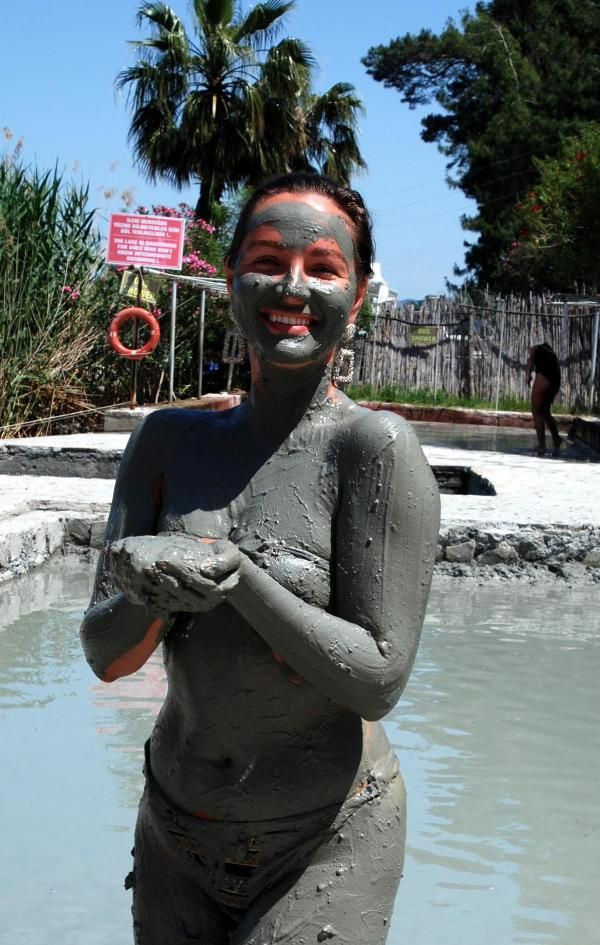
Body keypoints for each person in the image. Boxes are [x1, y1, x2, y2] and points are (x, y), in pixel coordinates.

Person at [80, 172, 440, 945]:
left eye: (324, 266)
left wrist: (238, 576)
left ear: (361, 289)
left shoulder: (373, 451)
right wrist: (153, 589)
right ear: (230, 275)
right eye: (269, 258)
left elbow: (378, 677)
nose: (293, 285)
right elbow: (105, 655)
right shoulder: (167, 443)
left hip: (323, 834)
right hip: (175, 826)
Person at [526, 341, 562, 457]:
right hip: (556, 379)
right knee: (545, 411)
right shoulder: (549, 353)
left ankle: (542, 445)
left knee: (536, 411)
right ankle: (556, 438)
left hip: (545, 376)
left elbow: (530, 361)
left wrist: (528, 376)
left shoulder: (535, 349)